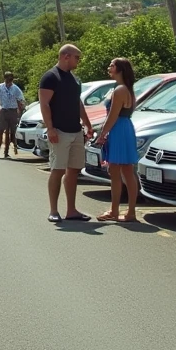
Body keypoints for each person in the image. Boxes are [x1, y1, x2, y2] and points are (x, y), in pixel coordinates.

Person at [38, 44, 94, 222]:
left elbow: (78, 102)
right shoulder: (50, 77)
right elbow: (44, 104)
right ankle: (53, 211)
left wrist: (87, 124)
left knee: (74, 170)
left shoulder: (74, 79)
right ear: (66, 56)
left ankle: (71, 210)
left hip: (76, 131)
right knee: (58, 170)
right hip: (59, 131)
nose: (79, 61)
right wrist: (50, 128)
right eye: (77, 57)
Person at [94, 58, 140, 222]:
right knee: (127, 171)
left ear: (120, 70)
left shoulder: (119, 90)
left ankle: (115, 211)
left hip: (118, 130)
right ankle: (130, 212)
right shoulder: (128, 89)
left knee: (115, 172)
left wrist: (102, 134)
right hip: (126, 128)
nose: (109, 67)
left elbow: (112, 116)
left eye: (112, 65)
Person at [0, 71, 25, 159]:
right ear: (5, 79)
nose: (9, 81)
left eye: (10, 79)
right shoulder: (0, 87)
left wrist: (20, 109)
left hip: (12, 111)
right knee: (0, 131)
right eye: (7, 79)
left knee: (10, 132)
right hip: (3, 110)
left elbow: (21, 99)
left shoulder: (15, 88)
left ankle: (6, 152)